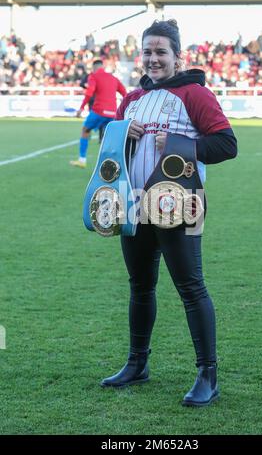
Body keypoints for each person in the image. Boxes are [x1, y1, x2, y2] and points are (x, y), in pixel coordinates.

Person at [100, 20, 238, 407]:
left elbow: (227, 144)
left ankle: (208, 375)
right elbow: (112, 153)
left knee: (191, 287)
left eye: (161, 52)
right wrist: (119, 135)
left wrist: (175, 142)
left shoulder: (195, 93)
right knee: (140, 286)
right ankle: (137, 364)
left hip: (184, 206)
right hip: (134, 204)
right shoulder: (131, 99)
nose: (153, 59)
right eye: (147, 52)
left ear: (178, 57)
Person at [70, 60, 127, 168]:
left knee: (85, 131)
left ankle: (82, 160)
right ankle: (116, 163)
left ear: (94, 68)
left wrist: (81, 108)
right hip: (112, 113)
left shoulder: (93, 76)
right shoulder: (113, 78)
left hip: (98, 111)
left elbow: (89, 92)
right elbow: (124, 93)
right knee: (110, 138)